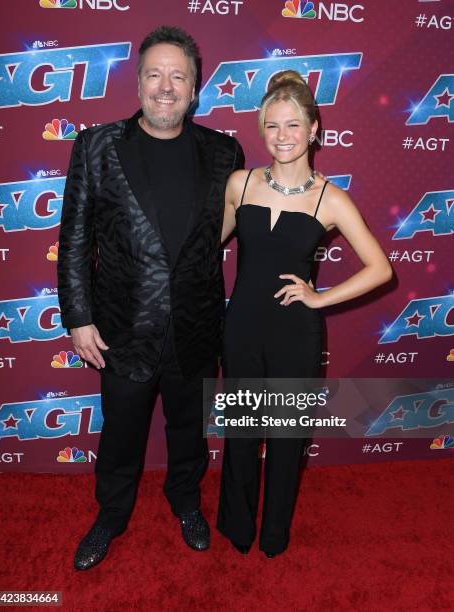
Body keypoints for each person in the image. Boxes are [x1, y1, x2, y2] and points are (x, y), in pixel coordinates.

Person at [57, 25, 244, 570]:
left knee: (189, 431)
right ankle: (111, 515)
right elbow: (73, 241)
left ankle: (186, 503)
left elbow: (230, 229)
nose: (166, 86)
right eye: (155, 74)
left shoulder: (223, 151)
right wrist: (78, 318)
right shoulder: (96, 146)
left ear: (195, 88)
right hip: (121, 328)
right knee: (121, 434)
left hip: (195, 324)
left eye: (178, 76)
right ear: (138, 83)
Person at [216, 70, 392, 558]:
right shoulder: (240, 183)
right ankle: (237, 527)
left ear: (314, 128)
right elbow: (210, 243)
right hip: (242, 328)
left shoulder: (330, 197)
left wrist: (319, 297)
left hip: (296, 333)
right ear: (260, 130)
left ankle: (274, 534)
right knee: (242, 433)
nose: (282, 136)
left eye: (293, 125)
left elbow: (380, 268)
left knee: (288, 439)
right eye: (272, 126)